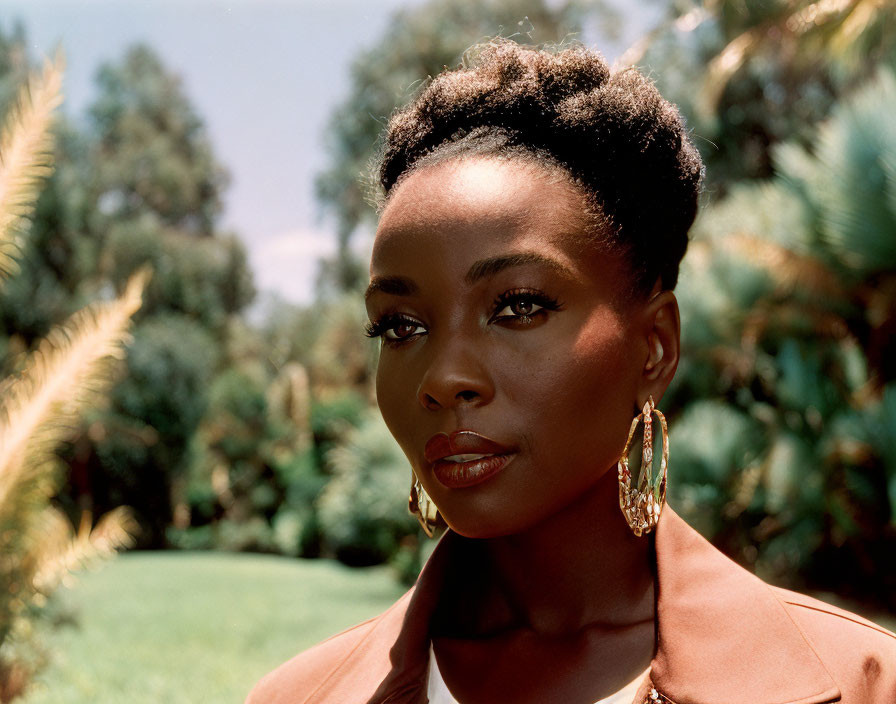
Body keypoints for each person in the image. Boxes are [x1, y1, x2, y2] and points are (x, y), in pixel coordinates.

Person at [247, 40, 896, 704]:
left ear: (653, 349)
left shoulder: (867, 683)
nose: (442, 378)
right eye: (401, 325)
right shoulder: (297, 696)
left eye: (518, 307)